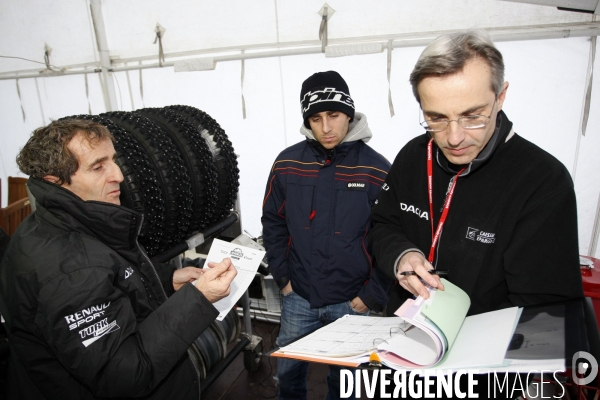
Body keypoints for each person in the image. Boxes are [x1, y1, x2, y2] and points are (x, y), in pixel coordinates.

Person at [0, 119, 237, 399]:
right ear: (56, 182)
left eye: (113, 160)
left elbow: (112, 279)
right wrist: (199, 298)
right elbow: (126, 376)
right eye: (98, 167)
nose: (119, 175)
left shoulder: (65, 223)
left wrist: (167, 278)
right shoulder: (69, 271)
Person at [369, 30, 583, 317]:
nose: (454, 137)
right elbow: (383, 224)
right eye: (437, 118)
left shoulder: (542, 181)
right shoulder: (412, 156)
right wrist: (402, 255)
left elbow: (545, 310)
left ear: (501, 96)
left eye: (472, 116)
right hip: (407, 335)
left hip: (489, 352)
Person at [261, 71, 391, 400]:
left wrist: (371, 295)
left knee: (345, 384)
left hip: (352, 302)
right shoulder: (287, 163)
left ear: (349, 112)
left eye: (334, 115)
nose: (327, 127)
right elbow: (272, 221)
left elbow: (391, 237)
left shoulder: (377, 170)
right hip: (299, 297)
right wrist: (284, 279)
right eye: (316, 118)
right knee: (288, 376)